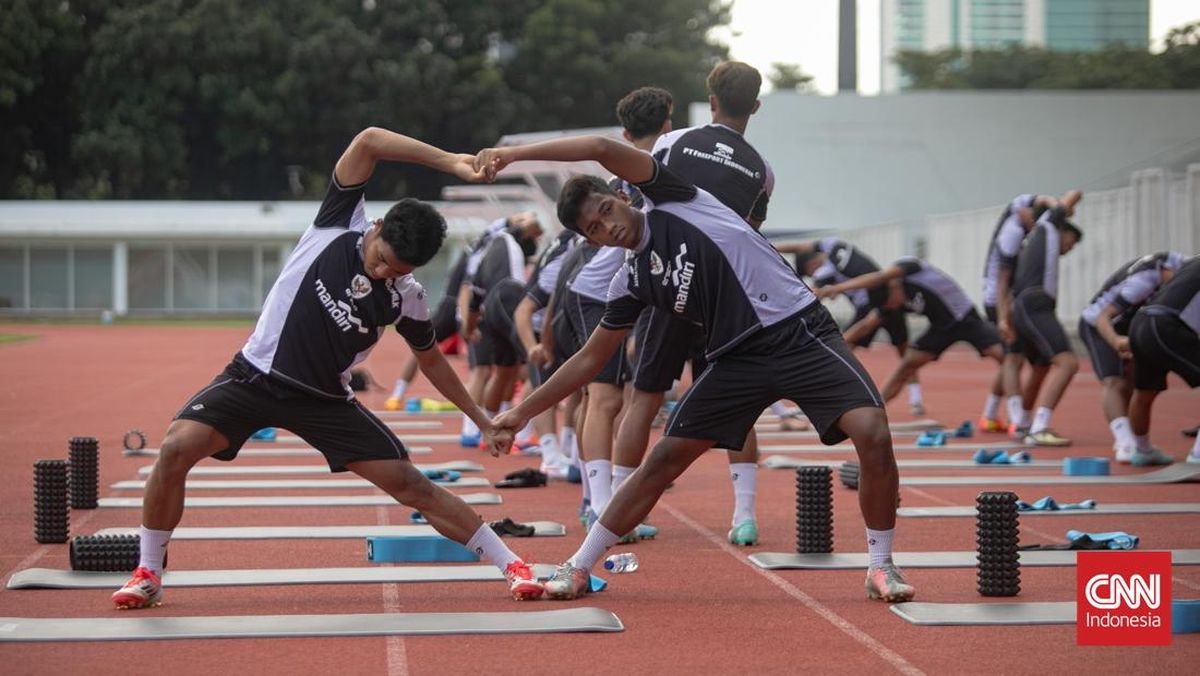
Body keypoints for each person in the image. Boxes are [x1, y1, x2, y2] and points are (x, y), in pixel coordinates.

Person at [111, 128, 544, 609]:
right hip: (253, 376)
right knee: (176, 448)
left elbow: (432, 362)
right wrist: (453, 162)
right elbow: (371, 140)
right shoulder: (338, 224)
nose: (384, 274)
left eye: (397, 271)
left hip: (323, 400)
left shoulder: (407, 297)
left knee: (410, 484)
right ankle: (149, 571)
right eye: (382, 261)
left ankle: (512, 564)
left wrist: (483, 419)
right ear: (375, 227)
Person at [477, 134, 914, 603]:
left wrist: (514, 155)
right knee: (663, 459)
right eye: (594, 229)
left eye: (605, 210)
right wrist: (520, 413)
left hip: (798, 332)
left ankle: (880, 566)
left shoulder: (673, 197)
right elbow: (589, 359)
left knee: (873, 431)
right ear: (591, 241)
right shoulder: (630, 279)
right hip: (738, 358)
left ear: (622, 197)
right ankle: (580, 565)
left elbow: (603, 148)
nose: (607, 225)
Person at [612, 64, 776, 546]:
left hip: (669, 285)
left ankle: (618, 515)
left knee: (643, 397)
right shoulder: (763, 171)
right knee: (739, 407)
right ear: (756, 107)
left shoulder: (673, 143)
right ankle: (744, 517)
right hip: (725, 298)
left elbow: (634, 198)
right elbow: (751, 232)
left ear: (711, 101)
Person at [384, 212, 540, 414]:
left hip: (469, 305)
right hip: (462, 305)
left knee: (494, 368)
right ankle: (481, 420)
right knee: (486, 369)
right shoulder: (496, 238)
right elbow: (469, 288)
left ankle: (399, 394)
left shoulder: (490, 246)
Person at [815, 256, 1004, 405]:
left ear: (893, 286)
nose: (892, 307)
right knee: (906, 366)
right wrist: (833, 349)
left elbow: (879, 277)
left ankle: (1000, 413)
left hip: (966, 318)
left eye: (891, 302)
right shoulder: (889, 304)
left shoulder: (909, 269)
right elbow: (865, 326)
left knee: (1006, 357)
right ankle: (877, 410)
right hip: (941, 328)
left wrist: (838, 288)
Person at [784, 238, 925, 416]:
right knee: (904, 351)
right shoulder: (841, 260)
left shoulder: (824, 271)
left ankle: (821, 398)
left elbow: (814, 295)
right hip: (888, 302)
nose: (812, 275)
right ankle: (916, 401)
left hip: (868, 308)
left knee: (841, 350)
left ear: (812, 264)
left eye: (809, 272)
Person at [982, 191, 1082, 434]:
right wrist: (1057, 205)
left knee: (1040, 364)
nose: (1070, 248)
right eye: (1072, 241)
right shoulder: (1040, 227)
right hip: (1016, 302)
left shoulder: (1030, 239)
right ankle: (1033, 424)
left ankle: (1019, 421)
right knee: (1061, 362)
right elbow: (1073, 195)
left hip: (1017, 302)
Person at [1079, 252, 1185, 465]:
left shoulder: (1180, 267)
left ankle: (1141, 446)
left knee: (1134, 382)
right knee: (1114, 382)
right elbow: (1103, 317)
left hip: (1131, 326)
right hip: (1098, 326)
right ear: (1165, 270)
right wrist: (1116, 341)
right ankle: (1125, 443)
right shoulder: (1143, 280)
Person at [1125, 255, 1200, 465]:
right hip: (1167, 324)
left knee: (1144, 392)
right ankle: (1198, 455)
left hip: (1141, 322)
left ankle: (1142, 450)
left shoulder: (1191, 263)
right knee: (1144, 393)